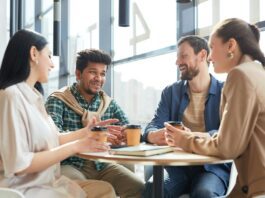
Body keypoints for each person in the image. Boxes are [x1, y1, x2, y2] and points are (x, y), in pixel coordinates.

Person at [0, 29, 118, 198]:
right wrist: (77, 146)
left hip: (45, 183)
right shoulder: (10, 96)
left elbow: (54, 138)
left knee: (105, 190)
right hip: (24, 190)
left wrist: (86, 132)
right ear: (34, 54)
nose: (52, 64)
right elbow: (19, 164)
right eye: (48, 56)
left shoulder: (34, 97)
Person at [164, 18, 265, 198]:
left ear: (230, 46)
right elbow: (236, 141)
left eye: (212, 47)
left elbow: (227, 147)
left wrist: (184, 139)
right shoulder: (258, 73)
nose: (210, 57)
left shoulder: (239, 75)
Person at [45, 49, 144, 197]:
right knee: (87, 192)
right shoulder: (58, 100)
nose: (98, 78)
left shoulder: (108, 103)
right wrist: (86, 136)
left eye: (102, 74)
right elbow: (52, 137)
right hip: (69, 163)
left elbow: (128, 128)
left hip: (102, 163)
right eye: (93, 72)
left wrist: (122, 136)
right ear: (78, 74)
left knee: (140, 188)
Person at [142, 35, 231, 197]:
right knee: (153, 189)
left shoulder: (225, 91)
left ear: (203, 55)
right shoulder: (170, 92)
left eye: (183, 56)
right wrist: (153, 135)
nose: (177, 62)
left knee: (204, 193)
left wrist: (192, 137)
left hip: (211, 167)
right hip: (176, 166)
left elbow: (228, 133)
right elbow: (154, 124)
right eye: (177, 57)